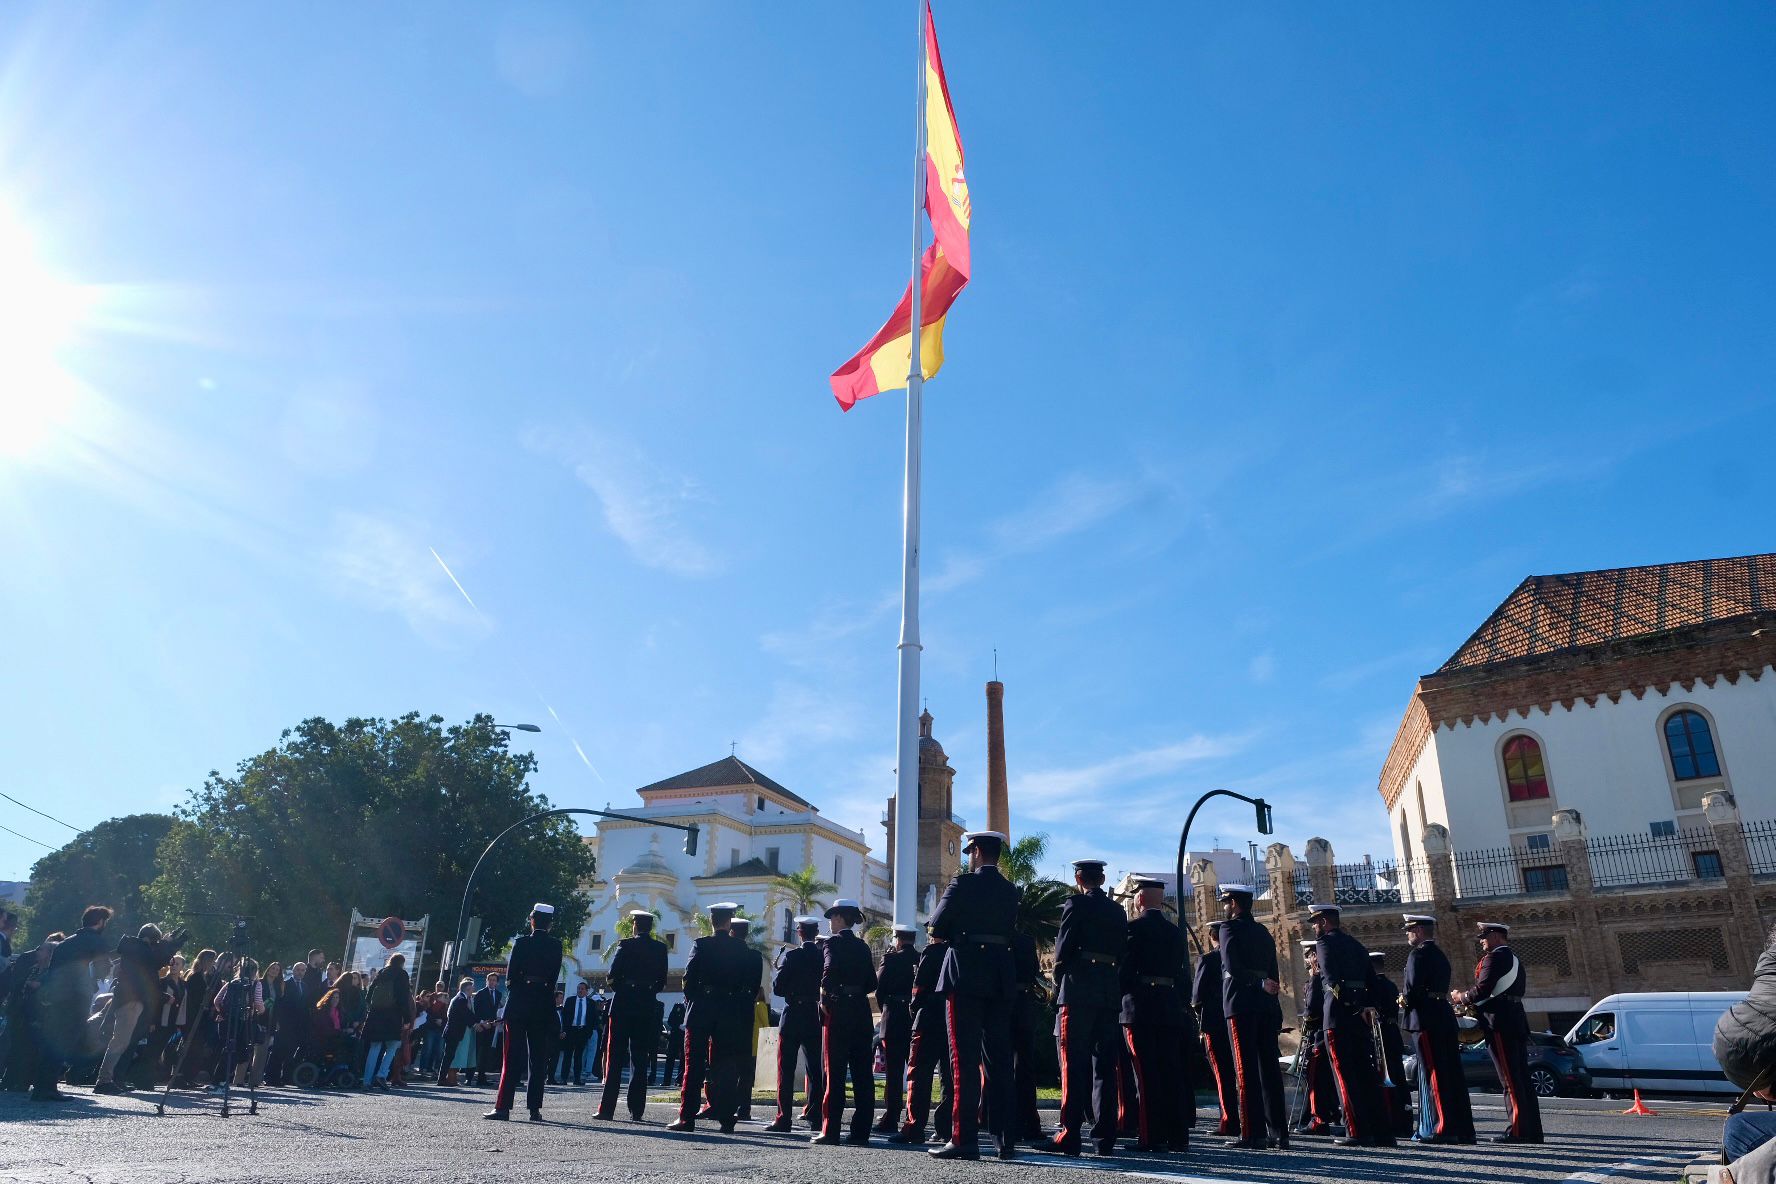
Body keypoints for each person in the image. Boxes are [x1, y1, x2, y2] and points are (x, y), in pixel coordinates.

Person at [927, 829, 1020, 1161]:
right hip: (999, 976)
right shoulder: (1011, 891)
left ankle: (964, 1137)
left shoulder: (962, 885)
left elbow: (936, 925)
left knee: (962, 1061)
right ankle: (1004, 1140)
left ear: (977, 851)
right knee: (998, 1061)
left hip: (965, 975)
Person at [1049, 858, 1127, 1156]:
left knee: (1072, 1064)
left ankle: (1069, 1133)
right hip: (1108, 991)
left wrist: (1059, 978)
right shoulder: (1117, 910)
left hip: (1078, 989)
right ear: (1103, 877)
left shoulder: (1075, 905)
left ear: (1079, 879)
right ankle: (1104, 1136)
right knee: (1105, 1067)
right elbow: (1122, 950)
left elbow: (1063, 947)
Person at [1119, 874, 1192, 1154]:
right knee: (1171, 1070)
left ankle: (1150, 1136)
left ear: (1139, 899)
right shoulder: (1175, 932)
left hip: (1140, 1006)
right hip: (1169, 1005)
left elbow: (1125, 970)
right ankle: (1178, 1135)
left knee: (1145, 1074)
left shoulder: (1133, 929)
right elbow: (1183, 973)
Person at [1308, 902, 1391, 1148]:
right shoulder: (1356, 944)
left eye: (1314, 922)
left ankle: (1356, 1130)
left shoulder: (1324, 944)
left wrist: (1351, 1004)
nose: (1313, 927)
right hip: (1360, 1018)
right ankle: (1382, 1131)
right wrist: (1367, 1006)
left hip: (1338, 1016)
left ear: (1324, 921)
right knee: (1366, 1075)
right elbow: (1371, 982)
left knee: (1344, 1076)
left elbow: (1331, 981)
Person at [1454, 921, 1541, 1144]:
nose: (1481, 939)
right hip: (1516, 1019)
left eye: (1484, 935)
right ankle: (1533, 1130)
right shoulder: (1515, 960)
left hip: (1499, 1022)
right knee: (1521, 1077)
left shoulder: (1494, 958)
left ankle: (1518, 1130)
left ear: (1496, 936)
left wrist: (1461, 997)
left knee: (1509, 1079)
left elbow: (1483, 989)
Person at [669, 902, 749, 1133]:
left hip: (702, 1007)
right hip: (728, 1011)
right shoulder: (740, 947)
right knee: (725, 1066)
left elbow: (688, 978)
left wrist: (695, 999)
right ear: (729, 922)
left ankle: (687, 1118)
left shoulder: (701, 945)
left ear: (712, 922)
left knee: (693, 1065)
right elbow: (744, 981)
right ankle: (726, 1117)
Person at [1218, 884, 1287, 1151]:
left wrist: (1255, 983)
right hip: (1266, 1007)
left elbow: (1232, 967)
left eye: (1226, 902)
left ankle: (1252, 1133)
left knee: (1245, 1070)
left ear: (1234, 903)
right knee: (1269, 1071)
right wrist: (1267, 991)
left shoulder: (1228, 929)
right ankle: (1279, 1133)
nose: (1225, 906)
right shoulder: (1263, 932)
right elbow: (1273, 973)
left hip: (1241, 1004)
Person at [486, 903, 565, 1122]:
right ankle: (534, 1109)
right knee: (538, 1059)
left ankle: (503, 1107)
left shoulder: (521, 943)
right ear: (549, 924)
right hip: (542, 1004)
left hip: (520, 1003)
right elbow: (553, 977)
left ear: (532, 920)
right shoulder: (556, 945)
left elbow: (510, 979)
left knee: (511, 1057)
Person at [1401, 914, 1475, 1144]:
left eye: (1410, 929)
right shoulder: (1440, 955)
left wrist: (1402, 1001)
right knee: (1451, 1074)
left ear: (1420, 931)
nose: (1407, 933)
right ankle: (1462, 1128)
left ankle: (1443, 1127)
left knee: (1434, 1074)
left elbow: (1411, 991)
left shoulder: (1418, 954)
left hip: (1425, 1018)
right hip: (1442, 1015)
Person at [94, 922, 187, 1094]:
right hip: (131, 1000)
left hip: (130, 1000)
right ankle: (104, 1080)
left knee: (122, 1041)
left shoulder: (135, 948)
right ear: (148, 939)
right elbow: (156, 960)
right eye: (155, 941)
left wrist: (171, 945)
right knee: (120, 1041)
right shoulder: (138, 949)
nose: (156, 944)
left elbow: (156, 962)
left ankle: (110, 1078)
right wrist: (168, 944)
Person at [813, 899, 877, 1145]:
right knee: (863, 1074)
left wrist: (831, 994)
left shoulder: (832, 943)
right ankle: (861, 1132)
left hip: (839, 1011)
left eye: (832, 917)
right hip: (861, 1010)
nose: (830, 922)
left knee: (835, 1072)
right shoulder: (862, 946)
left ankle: (830, 1130)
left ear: (840, 918)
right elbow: (872, 983)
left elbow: (827, 974)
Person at [35, 905, 113, 1101]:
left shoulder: (66, 943)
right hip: (77, 998)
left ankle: (42, 1086)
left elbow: (52, 971)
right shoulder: (96, 941)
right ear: (100, 922)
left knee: (52, 1041)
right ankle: (48, 1089)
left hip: (57, 998)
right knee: (65, 1041)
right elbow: (103, 969)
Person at [598, 910, 668, 1121]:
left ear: (635, 926)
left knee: (615, 1058)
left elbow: (612, 976)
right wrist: (646, 992)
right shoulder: (660, 948)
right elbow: (661, 981)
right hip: (646, 1005)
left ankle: (607, 1109)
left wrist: (625, 990)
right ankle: (636, 1110)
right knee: (640, 1059)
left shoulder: (626, 945)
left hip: (623, 1005)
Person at [889, 927, 953, 1145]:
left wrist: (914, 1011)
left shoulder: (932, 952)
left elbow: (919, 988)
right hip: (952, 1019)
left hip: (928, 1018)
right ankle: (945, 1128)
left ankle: (914, 1127)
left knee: (918, 1074)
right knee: (949, 1077)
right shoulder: (958, 951)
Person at [766, 915, 824, 1132]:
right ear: (815, 933)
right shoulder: (821, 957)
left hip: (792, 1015)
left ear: (799, 933)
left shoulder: (791, 956)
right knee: (814, 1069)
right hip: (813, 1013)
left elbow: (779, 988)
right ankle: (815, 1116)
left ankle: (784, 1118)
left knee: (785, 1069)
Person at [1193, 921, 1238, 1136]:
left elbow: (1197, 997)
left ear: (1212, 937)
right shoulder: (1238, 959)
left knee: (1222, 1075)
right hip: (1236, 1022)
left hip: (1214, 1023)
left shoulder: (1208, 960)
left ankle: (1229, 1120)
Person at [873, 924, 917, 1134]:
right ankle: (913, 1115)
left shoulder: (890, 960)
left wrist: (887, 1010)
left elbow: (879, 990)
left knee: (893, 1071)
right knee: (916, 1071)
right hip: (915, 1019)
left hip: (893, 1018)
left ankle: (891, 1117)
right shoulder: (920, 958)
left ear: (897, 940)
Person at [1294, 942, 1341, 1136]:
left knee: (1316, 1080)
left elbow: (1312, 1010)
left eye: (1308, 955)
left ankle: (1318, 1120)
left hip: (1319, 1037)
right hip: (1332, 1034)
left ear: (1314, 957)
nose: (1306, 959)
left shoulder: (1316, 980)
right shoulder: (1331, 977)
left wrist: (1306, 1018)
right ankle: (1332, 1113)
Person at [1368, 951, 1414, 1138]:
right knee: (1399, 1079)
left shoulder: (1373, 987)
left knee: (1386, 1079)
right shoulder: (1391, 985)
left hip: (1381, 1035)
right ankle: (1404, 1120)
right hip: (1394, 1034)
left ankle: (1390, 1120)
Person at [362, 953, 413, 1089]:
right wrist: (407, 1018)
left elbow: (369, 994)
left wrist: (372, 1007)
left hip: (376, 1014)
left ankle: (366, 1080)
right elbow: (403, 998)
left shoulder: (382, 972)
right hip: (393, 1015)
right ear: (402, 963)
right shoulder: (402, 974)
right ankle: (382, 1074)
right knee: (393, 1045)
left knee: (375, 1047)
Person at [437, 977, 478, 1085]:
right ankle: (442, 1079)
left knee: (449, 1056)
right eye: (471, 989)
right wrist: (477, 1023)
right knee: (448, 1057)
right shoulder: (461, 999)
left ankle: (442, 1078)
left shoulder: (458, 998)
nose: (472, 991)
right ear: (467, 989)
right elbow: (466, 1015)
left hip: (452, 1032)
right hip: (453, 1033)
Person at [471, 972, 502, 1087]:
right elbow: (476, 1010)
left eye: (494, 980)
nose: (492, 982)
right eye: (490, 980)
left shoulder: (498, 994)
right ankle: (470, 1076)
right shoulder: (480, 993)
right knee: (477, 1051)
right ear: (487, 981)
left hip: (491, 1026)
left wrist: (495, 1021)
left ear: (497, 982)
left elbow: (495, 1010)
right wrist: (482, 1022)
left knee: (486, 1053)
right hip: (481, 1026)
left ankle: (482, 1077)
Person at [560, 982, 594, 1085]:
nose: (580, 990)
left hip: (582, 1031)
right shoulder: (570, 1001)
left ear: (586, 991)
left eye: (582, 989)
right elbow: (564, 1016)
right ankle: (564, 1078)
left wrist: (589, 1032)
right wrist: (564, 1030)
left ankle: (577, 1079)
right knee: (568, 1055)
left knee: (579, 1057)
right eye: (579, 988)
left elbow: (593, 1018)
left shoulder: (590, 1003)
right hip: (571, 1031)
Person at [662, 1001, 686, 1087]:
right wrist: (678, 1025)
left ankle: (679, 1080)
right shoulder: (677, 1006)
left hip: (685, 1036)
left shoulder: (691, 1006)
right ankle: (666, 1081)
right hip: (675, 1036)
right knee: (670, 1058)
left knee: (683, 1060)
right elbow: (670, 1020)